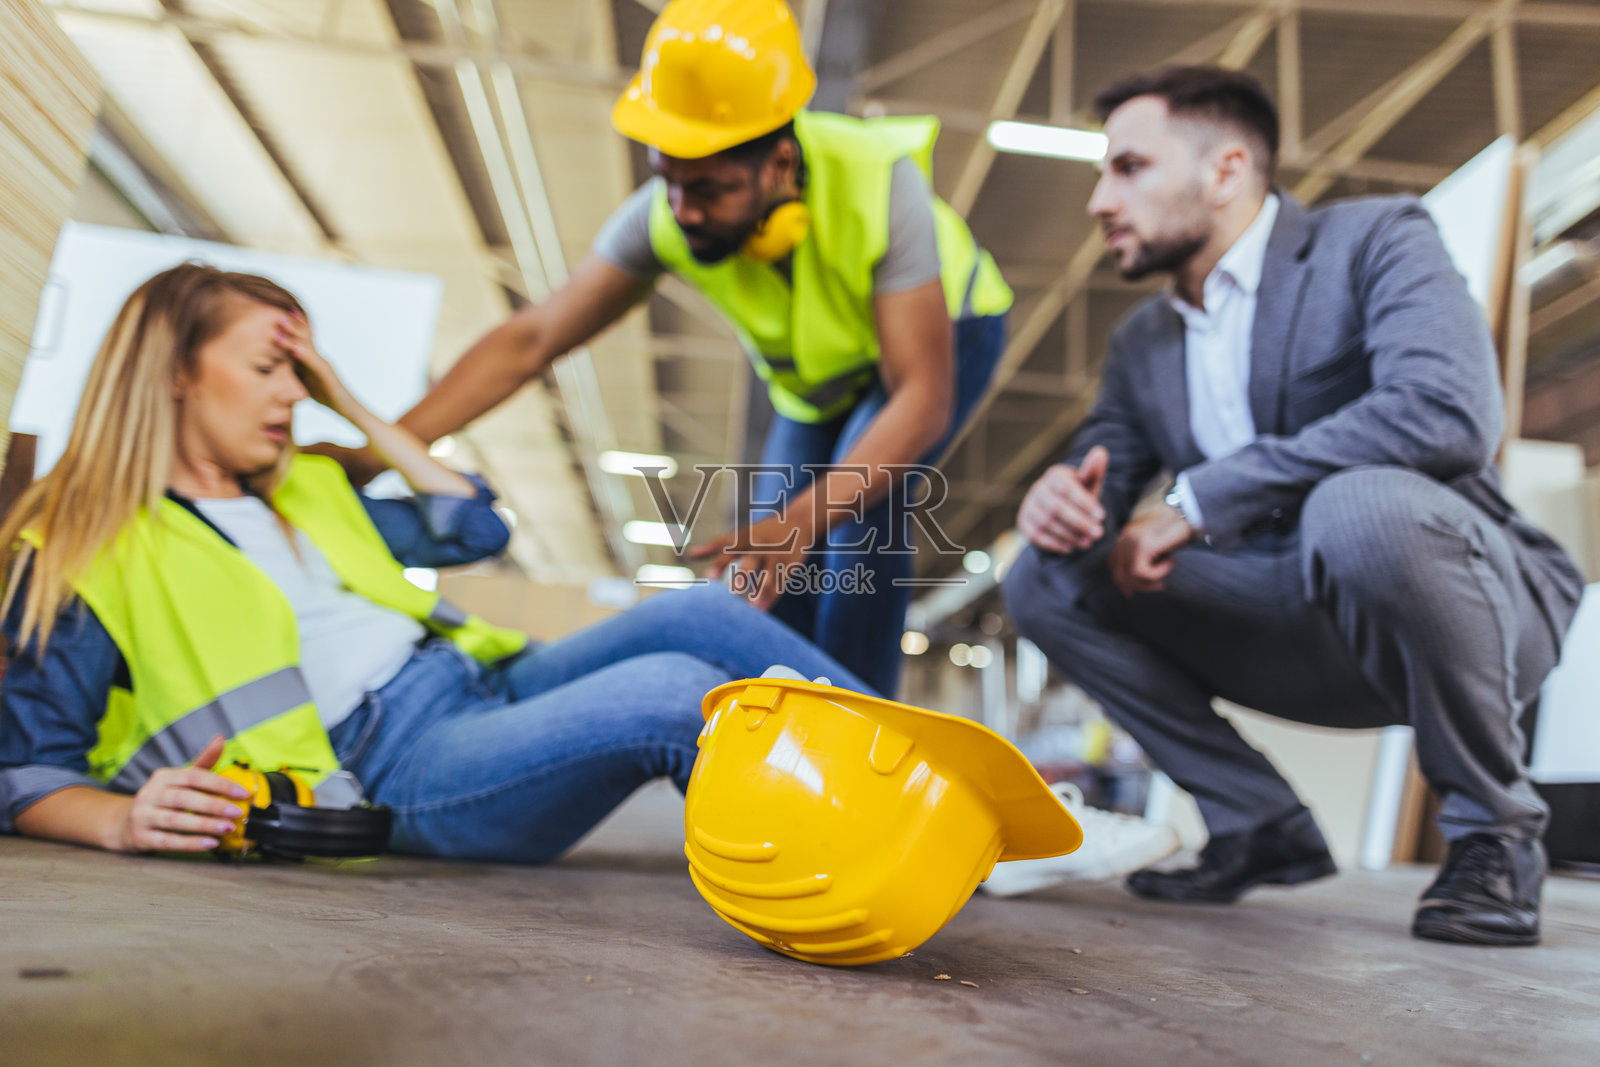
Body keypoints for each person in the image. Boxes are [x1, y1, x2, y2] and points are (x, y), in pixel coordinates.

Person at [0, 264, 869, 862]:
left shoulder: (305, 485)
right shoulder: (85, 546)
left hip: (478, 678)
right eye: (271, 366)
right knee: (678, 694)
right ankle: (882, 847)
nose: (291, 393)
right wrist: (121, 821)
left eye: (300, 373)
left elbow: (473, 527)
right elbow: (26, 768)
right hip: (392, 761)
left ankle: (949, 784)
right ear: (175, 374)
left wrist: (348, 398)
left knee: (705, 611)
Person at [1000, 66, 1583, 945]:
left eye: (1128, 168)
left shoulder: (1375, 238)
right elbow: (1102, 470)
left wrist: (1200, 499)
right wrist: (1057, 500)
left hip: (1466, 602)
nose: (1098, 200)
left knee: (1359, 508)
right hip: (1287, 623)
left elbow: (1447, 412)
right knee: (1042, 580)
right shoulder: (1144, 341)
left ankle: (1494, 837)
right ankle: (1256, 822)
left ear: (1226, 170)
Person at [331, 0, 1013, 699]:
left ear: (780, 164)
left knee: (860, 514)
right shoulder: (664, 217)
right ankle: (793, 723)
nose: (682, 210)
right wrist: (373, 451)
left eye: (708, 189)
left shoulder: (878, 184)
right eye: (669, 179)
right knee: (768, 556)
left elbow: (921, 399)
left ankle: (864, 738)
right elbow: (530, 339)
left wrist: (804, 519)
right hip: (817, 383)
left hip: (944, 339)